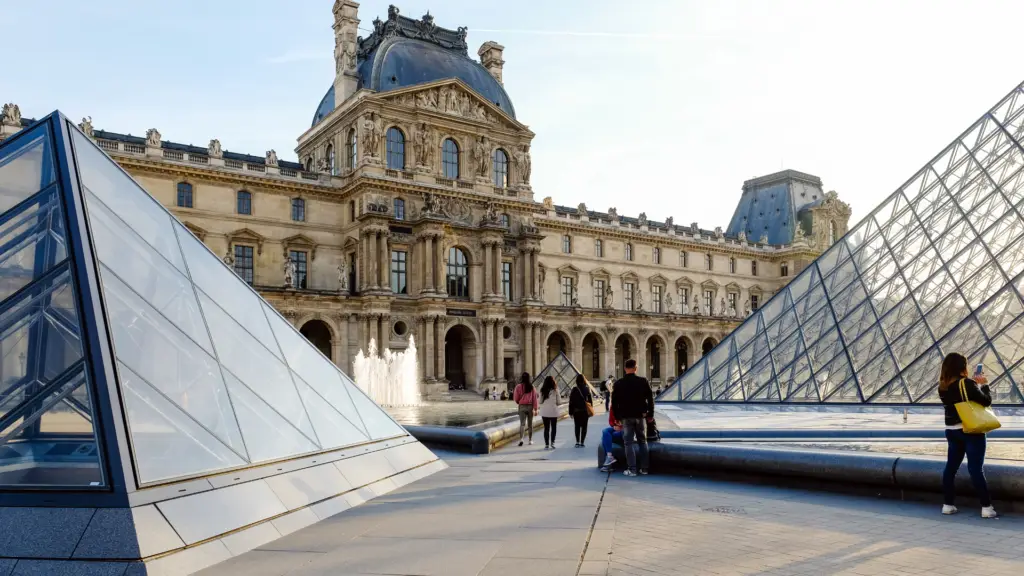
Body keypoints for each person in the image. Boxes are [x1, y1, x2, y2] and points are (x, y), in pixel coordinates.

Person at [938, 353, 997, 518]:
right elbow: (986, 401)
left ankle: (948, 505)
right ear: (962, 367)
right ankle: (986, 507)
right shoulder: (968, 383)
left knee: (950, 468)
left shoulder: (942, 386)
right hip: (970, 430)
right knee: (975, 469)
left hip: (951, 431)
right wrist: (984, 385)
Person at [611, 358, 653, 477]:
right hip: (640, 416)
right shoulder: (643, 381)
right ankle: (644, 469)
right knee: (642, 441)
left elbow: (614, 403)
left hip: (626, 417)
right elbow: (650, 399)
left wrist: (617, 417)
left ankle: (632, 469)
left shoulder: (618, 383)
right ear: (635, 368)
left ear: (625, 369)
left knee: (628, 443)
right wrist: (650, 414)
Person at [513, 372, 538, 446]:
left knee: (522, 424)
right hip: (530, 407)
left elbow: (516, 398)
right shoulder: (532, 387)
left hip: (522, 406)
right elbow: (535, 399)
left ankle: (521, 439)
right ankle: (530, 440)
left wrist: (519, 402)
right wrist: (535, 409)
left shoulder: (518, 387)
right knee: (530, 425)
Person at [568, 374, 594, 447]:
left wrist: (570, 412)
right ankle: (582, 442)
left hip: (576, 411)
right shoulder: (587, 389)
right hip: (585, 411)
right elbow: (590, 401)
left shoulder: (574, 389)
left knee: (577, 426)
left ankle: (577, 442)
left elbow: (571, 402)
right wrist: (590, 409)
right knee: (584, 427)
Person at [538, 376, 562, 450]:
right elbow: (559, 402)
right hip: (553, 411)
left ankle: (546, 444)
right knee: (553, 427)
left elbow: (540, 401)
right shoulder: (556, 390)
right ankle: (552, 442)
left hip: (545, 412)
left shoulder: (542, 390)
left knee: (546, 428)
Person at [600, 406, 623, 472]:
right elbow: (611, 420)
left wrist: (621, 426)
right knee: (605, 432)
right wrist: (614, 426)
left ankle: (607, 465)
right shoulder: (613, 407)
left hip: (625, 429)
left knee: (605, 437)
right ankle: (609, 457)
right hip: (616, 428)